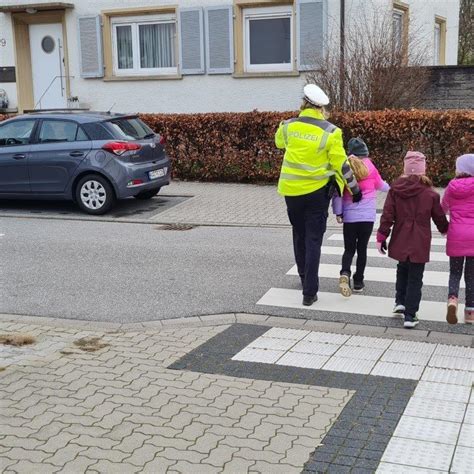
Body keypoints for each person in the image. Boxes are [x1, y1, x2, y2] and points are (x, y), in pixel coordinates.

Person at [276, 84, 362, 306]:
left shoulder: (286, 126)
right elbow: (341, 165)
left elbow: (279, 143)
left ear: (303, 103)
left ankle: (304, 277)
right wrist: (354, 189)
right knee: (314, 239)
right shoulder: (331, 132)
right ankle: (309, 293)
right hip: (316, 193)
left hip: (291, 192)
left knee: (299, 234)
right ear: (322, 108)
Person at [376, 151, 448, 328]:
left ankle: (400, 301)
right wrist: (446, 230)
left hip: (401, 236)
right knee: (416, 276)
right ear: (423, 170)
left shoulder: (395, 190)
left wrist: (382, 235)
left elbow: (388, 215)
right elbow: (439, 217)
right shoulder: (431, 194)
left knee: (402, 268)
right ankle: (410, 314)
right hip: (420, 239)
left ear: (405, 170)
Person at [332, 138, 389, 296]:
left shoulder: (345, 168)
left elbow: (337, 194)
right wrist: (396, 191)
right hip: (367, 218)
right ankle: (358, 282)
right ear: (365, 153)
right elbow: (382, 186)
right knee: (362, 249)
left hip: (350, 218)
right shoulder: (370, 167)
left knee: (349, 249)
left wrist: (338, 213)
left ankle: (345, 273)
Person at [441, 154, 474, 325]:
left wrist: (445, 226)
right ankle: (470, 312)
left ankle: (452, 300)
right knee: (472, 276)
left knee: (454, 272)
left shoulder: (451, 186)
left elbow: (443, 208)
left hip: (456, 235)